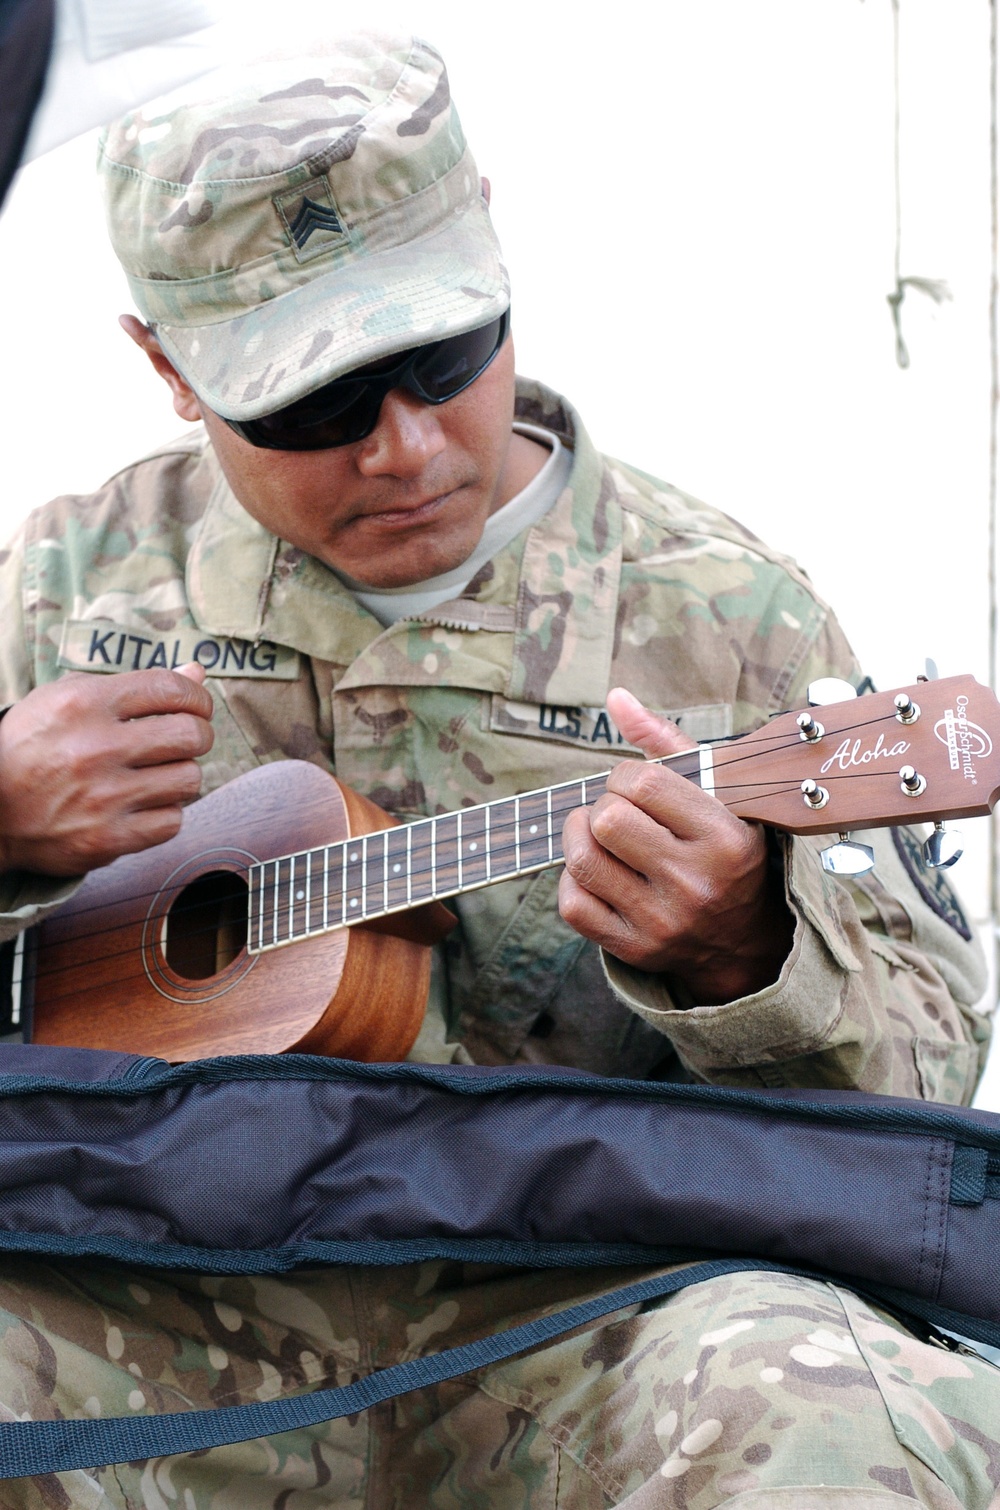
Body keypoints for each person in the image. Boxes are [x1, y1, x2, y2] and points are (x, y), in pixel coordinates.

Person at [0, 32, 996, 1508]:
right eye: (314, 404)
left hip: (573, 1318)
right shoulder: (62, 585)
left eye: (442, 356)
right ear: (164, 365)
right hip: (146, 1307)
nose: (403, 448)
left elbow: (925, 1081)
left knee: (860, 1412)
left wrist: (740, 954)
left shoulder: (724, 612)